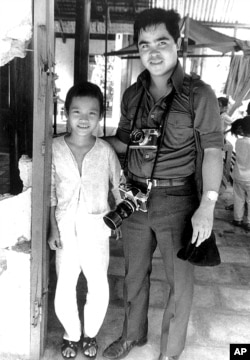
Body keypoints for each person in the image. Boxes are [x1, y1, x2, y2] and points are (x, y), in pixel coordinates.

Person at [102, 8, 223, 360]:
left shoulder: (199, 94)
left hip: (178, 201)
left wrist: (208, 206)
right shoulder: (132, 95)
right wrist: (81, 139)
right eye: (144, 45)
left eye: (161, 42)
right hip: (137, 199)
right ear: (137, 50)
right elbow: (124, 143)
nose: (153, 52)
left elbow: (213, 150)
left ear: (177, 43)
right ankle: (132, 336)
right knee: (133, 275)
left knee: (180, 282)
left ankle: (170, 352)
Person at [48, 81, 121, 359]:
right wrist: (52, 228)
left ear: (100, 117)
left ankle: (90, 334)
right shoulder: (53, 148)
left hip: (97, 231)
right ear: (66, 113)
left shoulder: (105, 151)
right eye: (77, 111)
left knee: (98, 285)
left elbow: (119, 188)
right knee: (65, 284)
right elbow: (50, 193)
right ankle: (71, 335)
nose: (84, 119)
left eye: (92, 113)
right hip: (65, 229)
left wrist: (117, 220)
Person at [230, 116, 250, 231]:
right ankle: (249, 222)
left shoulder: (239, 141)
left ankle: (238, 219)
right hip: (249, 177)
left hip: (238, 175)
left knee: (238, 198)